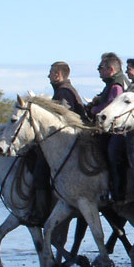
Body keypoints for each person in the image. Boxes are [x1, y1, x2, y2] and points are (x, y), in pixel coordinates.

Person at [31, 62, 87, 223]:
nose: (48, 76)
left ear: (57, 74)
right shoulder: (65, 90)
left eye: (50, 73)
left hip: (68, 143)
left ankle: (41, 212)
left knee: (40, 169)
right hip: (69, 140)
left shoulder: (64, 92)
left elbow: (61, 119)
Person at [88, 53, 129, 202]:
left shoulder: (116, 85)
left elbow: (112, 105)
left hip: (118, 130)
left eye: (101, 68)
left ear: (110, 70)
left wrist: (95, 109)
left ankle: (115, 191)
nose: (99, 71)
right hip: (114, 128)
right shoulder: (113, 83)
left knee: (110, 151)